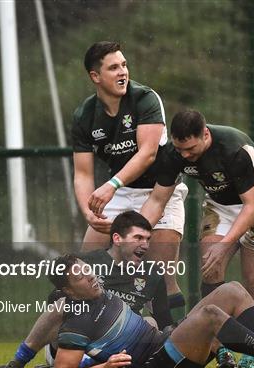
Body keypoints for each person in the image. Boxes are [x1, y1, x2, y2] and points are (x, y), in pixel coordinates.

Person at [140, 109, 254, 368]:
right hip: (220, 205)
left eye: (191, 149)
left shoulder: (234, 149)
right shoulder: (175, 153)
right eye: (180, 149)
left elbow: (251, 207)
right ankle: (221, 349)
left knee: (253, 282)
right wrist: (136, 232)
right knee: (210, 267)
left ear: (205, 134)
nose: (185, 156)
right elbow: (158, 199)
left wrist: (226, 243)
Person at [49, 254, 254, 368]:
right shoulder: (77, 321)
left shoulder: (101, 291)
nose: (89, 275)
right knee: (210, 314)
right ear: (67, 290)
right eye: (79, 276)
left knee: (232, 290)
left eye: (86, 268)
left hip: (167, 343)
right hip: (157, 365)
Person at [71, 41, 188, 318]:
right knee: (85, 270)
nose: (122, 71)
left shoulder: (145, 98)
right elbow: (83, 173)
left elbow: (147, 154)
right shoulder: (84, 115)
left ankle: (177, 344)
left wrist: (111, 185)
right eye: (113, 67)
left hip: (159, 190)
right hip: (122, 193)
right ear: (95, 77)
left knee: (160, 276)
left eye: (124, 65)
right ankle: (80, 340)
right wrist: (88, 212)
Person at [0, 211, 174, 368]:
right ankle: (17, 364)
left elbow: (164, 320)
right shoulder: (85, 263)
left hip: (118, 349)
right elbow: (54, 299)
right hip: (72, 344)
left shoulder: (153, 274)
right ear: (117, 239)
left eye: (148, 239)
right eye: (138, 238)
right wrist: (95, 311)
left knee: (151, 323)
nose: (145, 245)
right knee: (62, 305)